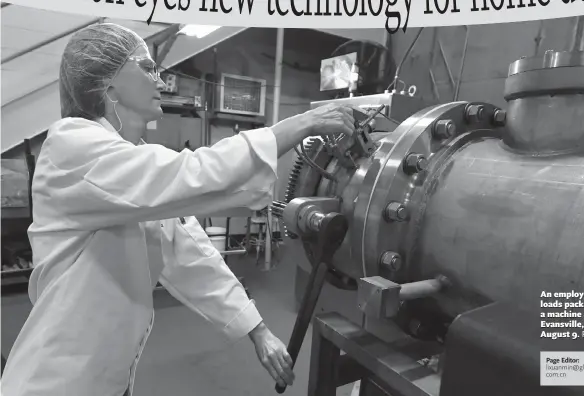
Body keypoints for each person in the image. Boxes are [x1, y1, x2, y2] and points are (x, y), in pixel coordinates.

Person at [1, 23, 356, 396]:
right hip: (56, 381)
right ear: (108, 86)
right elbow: (193, 174)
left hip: (108, 378)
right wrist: (304, 123)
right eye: (146, 66)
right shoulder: (72, 148)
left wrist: (258, 331)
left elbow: (187, 251)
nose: (160, 77)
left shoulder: (132, 167)